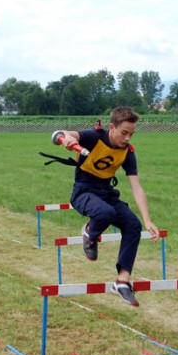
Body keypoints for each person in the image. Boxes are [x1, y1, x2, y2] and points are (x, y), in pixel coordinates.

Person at [57, 106, 159, 307]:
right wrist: (67, 138)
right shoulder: (93, 137)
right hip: (83, 193)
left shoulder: (127, 152)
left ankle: (121, 282)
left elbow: (136, 188)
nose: (128, 138)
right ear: (112, 127)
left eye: (131, 134)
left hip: (107, 193)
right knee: (105, 213)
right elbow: (64, 133)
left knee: (133, 225)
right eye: (124, 132)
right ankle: (89, 232)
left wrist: (147, 220)